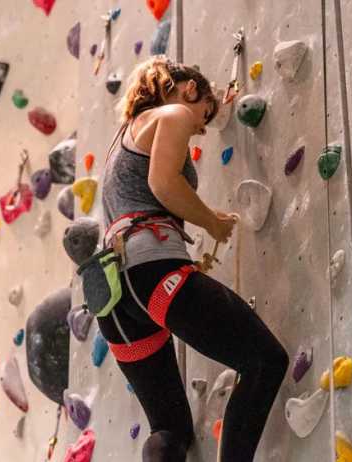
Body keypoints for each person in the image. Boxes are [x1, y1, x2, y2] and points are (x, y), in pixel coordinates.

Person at [96, 56, 289, 462]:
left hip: (114, 301)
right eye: (204, 116)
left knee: (169, 430)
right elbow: (163, 183)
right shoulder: (174, 112)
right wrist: (212, 224)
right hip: (151, 271)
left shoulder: (121, 141)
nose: (198, 128)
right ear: (189, 90)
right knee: (265, 361)